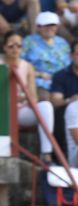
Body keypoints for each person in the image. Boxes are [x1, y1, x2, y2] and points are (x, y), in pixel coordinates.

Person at [2, 31, 56, 164]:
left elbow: (33, 96)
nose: (15, 49)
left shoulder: (27, 66)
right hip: (3, 111)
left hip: (21, 109)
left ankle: (46, 153)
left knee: (46, 106)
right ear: (4, 47)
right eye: (11, 46)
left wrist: (25, 99)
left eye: (19, 46)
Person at [21, 11, 70, 103]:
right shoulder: (28, 41)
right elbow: (21, 65)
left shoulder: (63, 43)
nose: (50, 28)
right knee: (45, 100)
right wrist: (39, 74)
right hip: (40, 81)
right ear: (38, 27)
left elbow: (68, 65)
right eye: (46, 25)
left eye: (52, 25)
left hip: (62, 81)